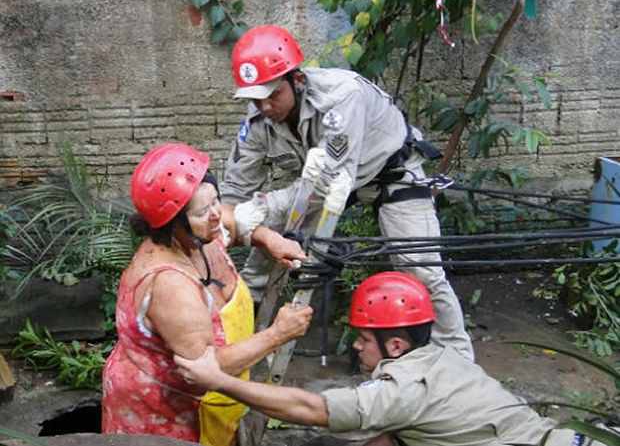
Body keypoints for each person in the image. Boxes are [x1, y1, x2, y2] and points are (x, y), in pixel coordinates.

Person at [219, 24, 474, 362]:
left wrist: (259, 211)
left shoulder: (341, 97)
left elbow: (328, 182)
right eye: (255, 97)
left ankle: (458, 360)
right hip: (317, 188)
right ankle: (234, 348)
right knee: (261, 263)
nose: (264, 107)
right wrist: (233, 225)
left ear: (296, 80)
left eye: (272, 94)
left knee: (422, 267)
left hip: (389, 175)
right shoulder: (257, 120)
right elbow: (234, 193)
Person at [175, 271, 606, 446]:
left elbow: (311, 408)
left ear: (396, 346)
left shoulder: (403, 390)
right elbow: (391, 438)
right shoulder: (444, 358)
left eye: (363, 339)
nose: (356, 348)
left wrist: (221, 380)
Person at [101, 143, 313, 446]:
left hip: (210, 403)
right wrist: (277, 335)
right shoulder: (170, 286)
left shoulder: (198, 234)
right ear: (173, 222)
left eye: (215, 200)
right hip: (166, 411)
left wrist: (269, 238)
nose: (216, 214)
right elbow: (203, 370)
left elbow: (230, 219)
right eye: (203, 211)